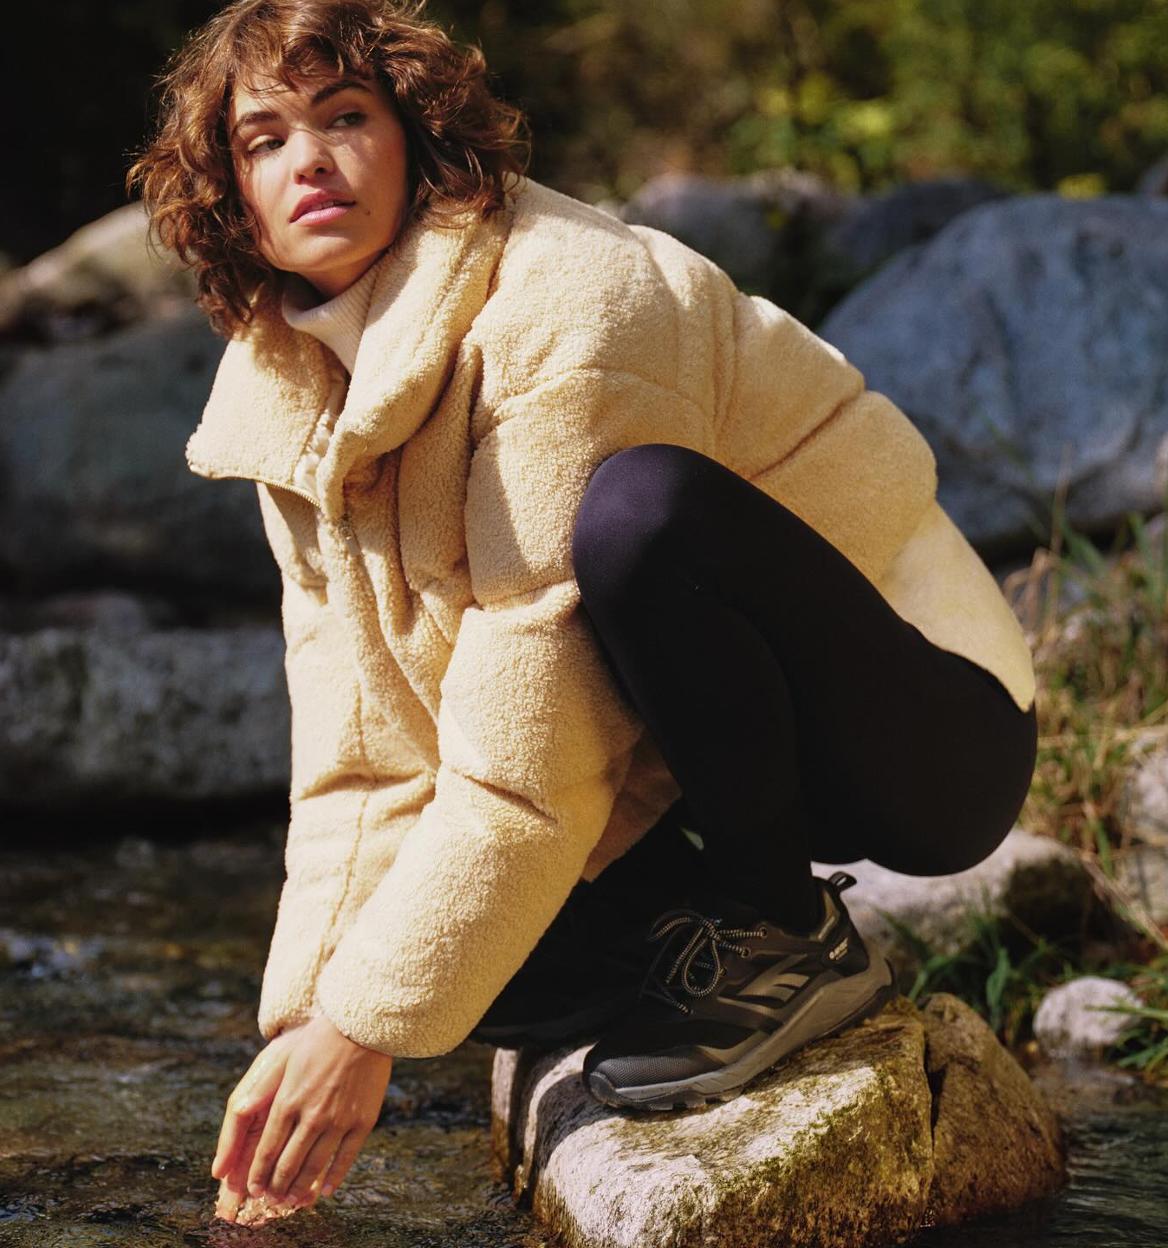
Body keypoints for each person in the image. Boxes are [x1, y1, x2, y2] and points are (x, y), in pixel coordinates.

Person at [126, 0, 1038, 1220]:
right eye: (266, 138)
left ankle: (789, 936)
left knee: (636, 516)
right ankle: (707, 954)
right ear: (231, 190)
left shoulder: (569, 299)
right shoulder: (290, 389)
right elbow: (357, 749)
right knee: (448, 978)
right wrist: (307, 1028)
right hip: (703, 741)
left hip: (928, 731)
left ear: (421, 139)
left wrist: (365, 1033)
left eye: (347, 118)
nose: (313, 161)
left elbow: (540, 705)